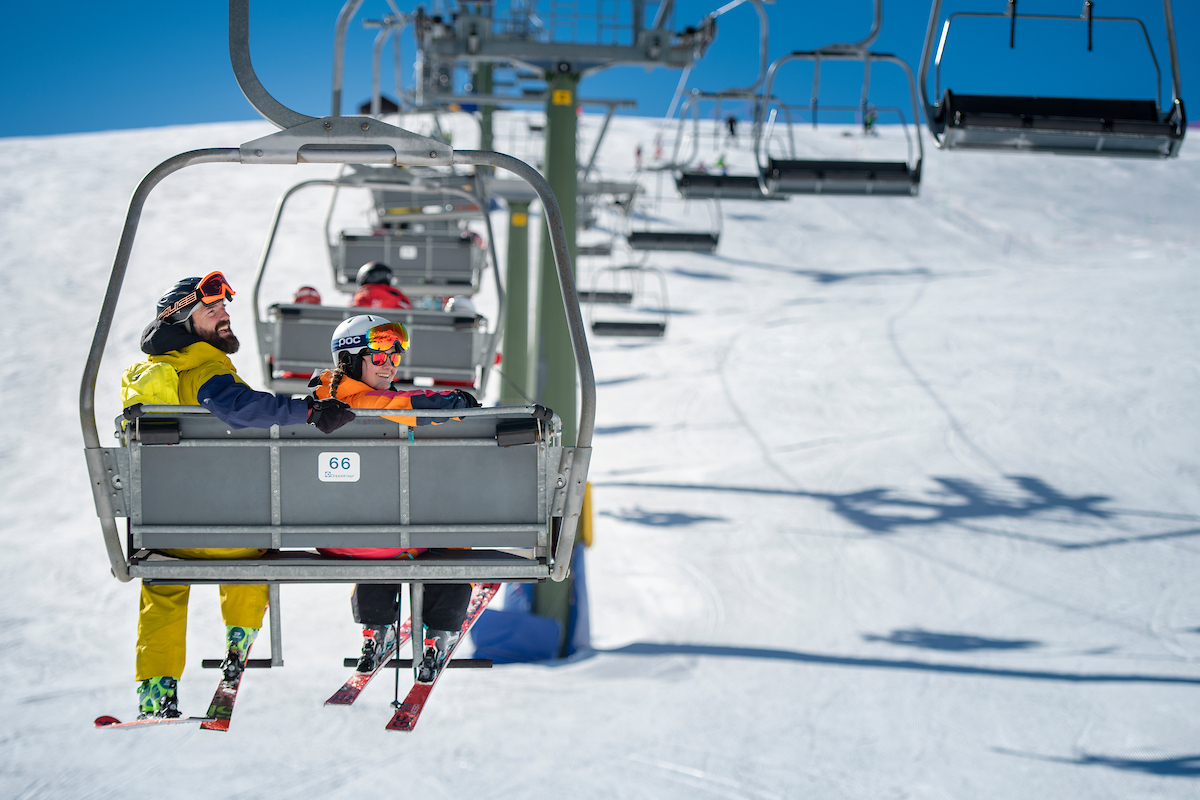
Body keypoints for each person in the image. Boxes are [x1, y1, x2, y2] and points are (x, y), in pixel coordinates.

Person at [121, 272, 355, 718]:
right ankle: (238, 646)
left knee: (164, 586)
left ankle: (155, 691)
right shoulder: (205, 366)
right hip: (233, 535)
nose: (225, 314)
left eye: (224, 307)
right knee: (252, 549)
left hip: (169, 533)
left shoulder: (156, 375)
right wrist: (306, 410)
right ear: (185, 321)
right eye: (212, 310)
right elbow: (238, 407)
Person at [310, 314, 480, 680]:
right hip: (387, 541)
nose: (390, 365)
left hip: (333, 541)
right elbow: (427, 406)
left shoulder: (317, 401)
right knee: (452, 525)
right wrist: (457, 399)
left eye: (394, 357)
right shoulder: (382, 405)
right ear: (351, 361)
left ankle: (376, 626)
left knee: (375, 514)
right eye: (380, 356)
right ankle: (441, 629)